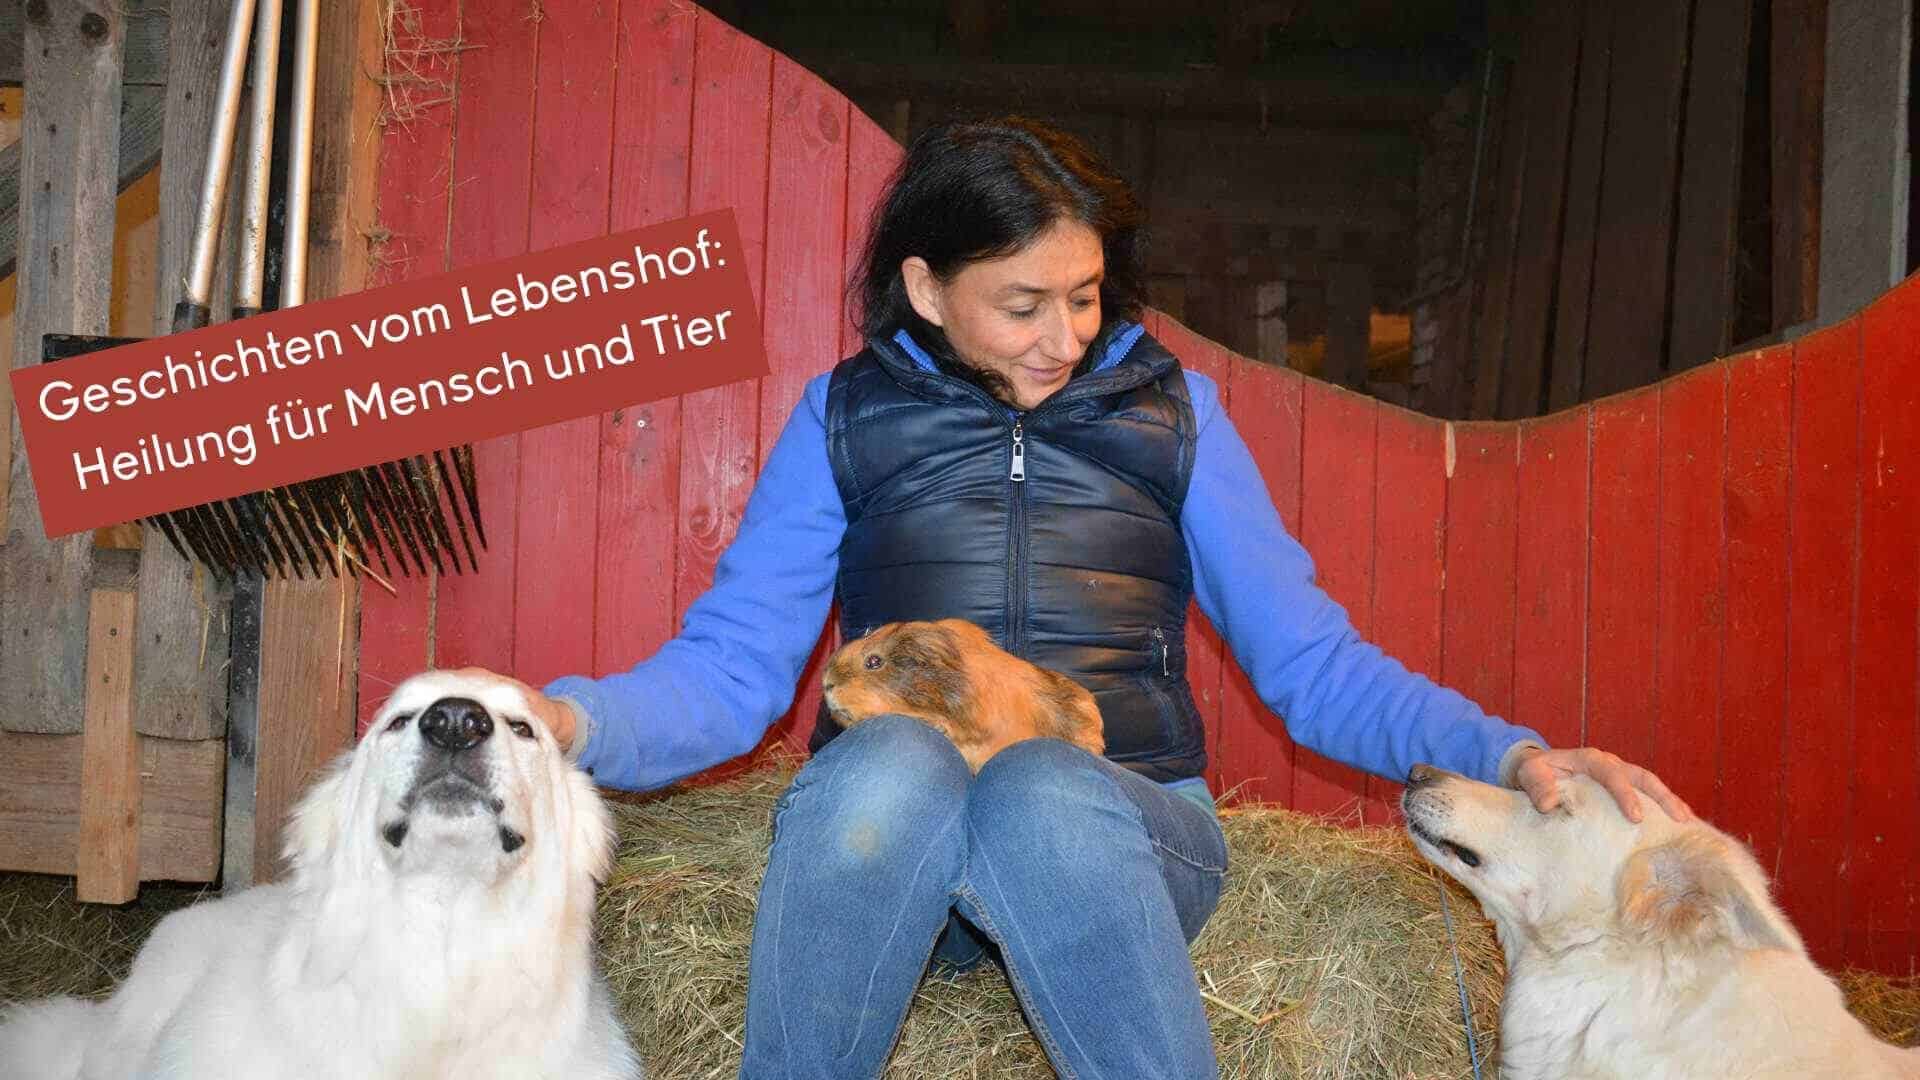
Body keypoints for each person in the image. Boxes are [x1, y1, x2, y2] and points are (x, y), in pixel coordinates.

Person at [459, 116, 1692, 1079]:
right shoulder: (845, 421)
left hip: (1127, 839)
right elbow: (732, 675)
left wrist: (1506, 749)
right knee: (890, 766)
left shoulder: (1173, 418)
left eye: (1087, 294)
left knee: (1046, 787)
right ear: (930, 289)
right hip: (902, 862)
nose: (1063, 337)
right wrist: (567, 723)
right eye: (1023, 305)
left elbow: (1313, 666)